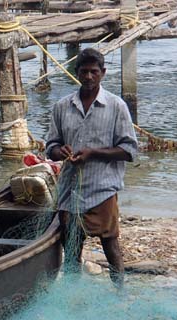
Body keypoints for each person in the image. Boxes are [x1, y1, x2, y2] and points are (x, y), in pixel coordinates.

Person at [46, 48, 138, 285]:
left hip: (102, 189)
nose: (88, 76)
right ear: (75, 73)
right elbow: (51, 147)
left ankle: (120, 292)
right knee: (72, 247)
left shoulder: (116, 106)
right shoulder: (62, 107)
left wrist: (93, 154)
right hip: (70, 191)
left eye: (93, 72)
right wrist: (61, 151)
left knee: (110, 244)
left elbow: (129, 151)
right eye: (83, 72)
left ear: (103, 73)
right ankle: (72, 294)